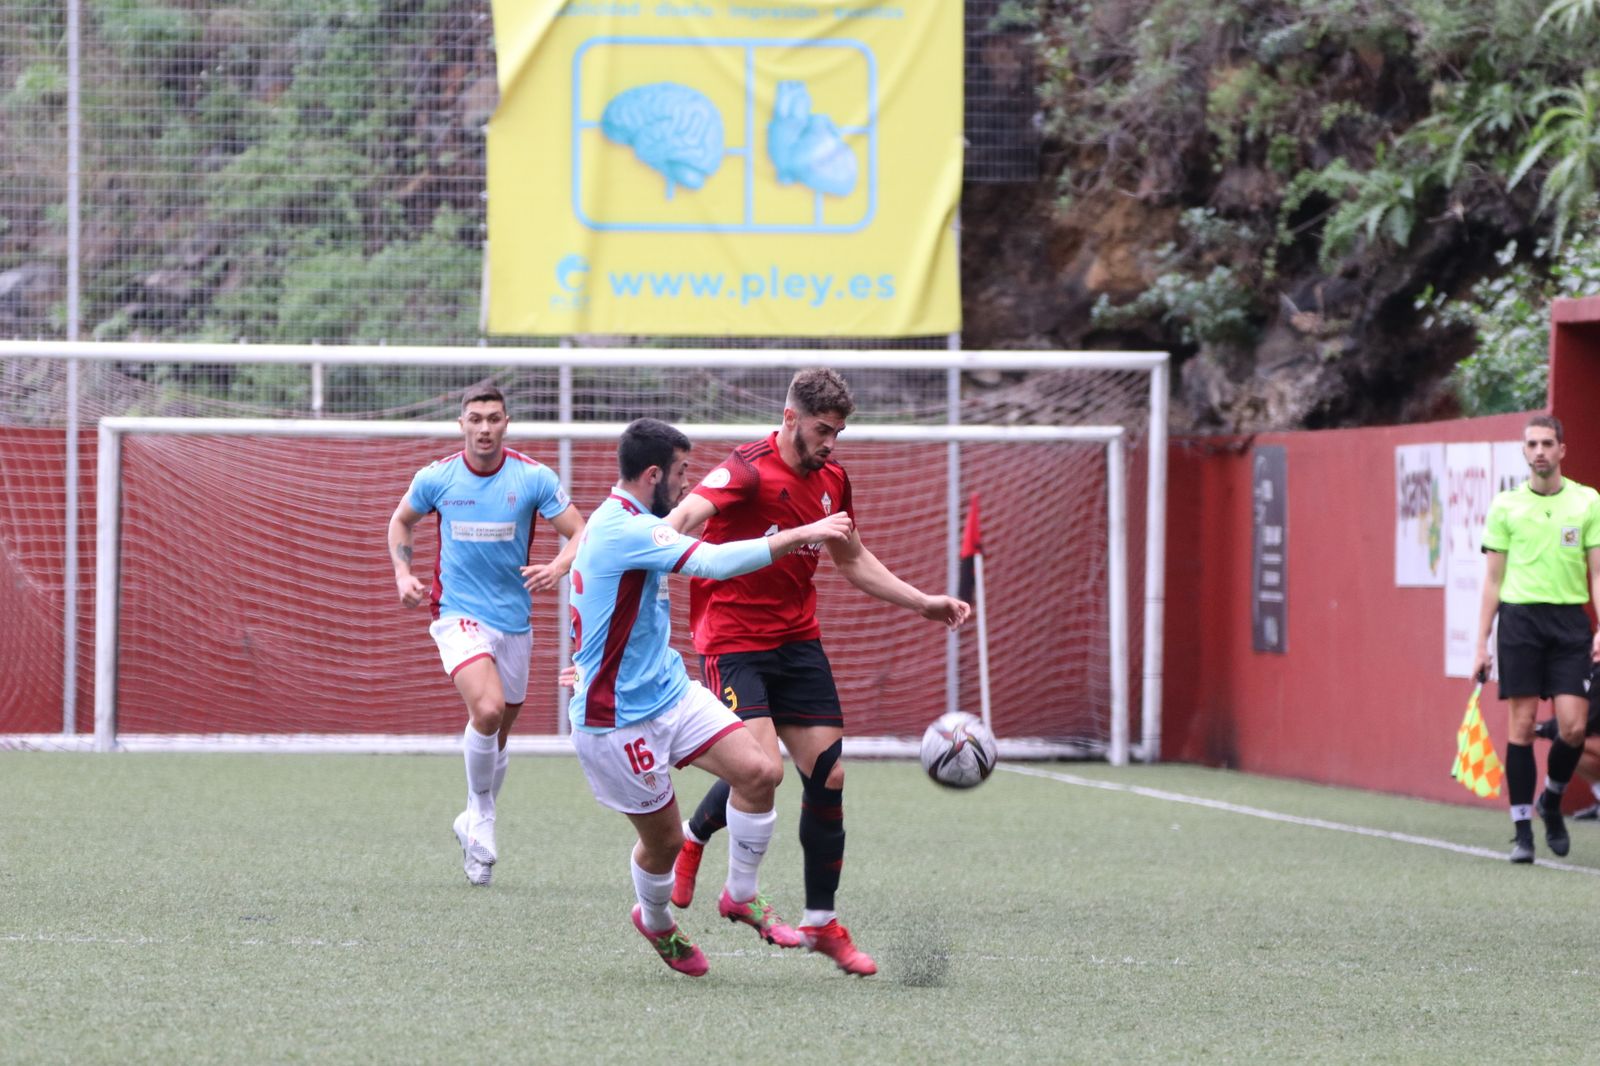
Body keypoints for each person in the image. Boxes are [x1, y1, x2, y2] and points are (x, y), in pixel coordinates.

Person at [666, 368, 971, 975]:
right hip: (733, 641)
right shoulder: (745, 469)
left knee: (827, 780)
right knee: (763, 770)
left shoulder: (833, 478)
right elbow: (679, 521)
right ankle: (713, 864)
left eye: (838, 431)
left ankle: (821, 922)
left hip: (797, 642)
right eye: (822, 430)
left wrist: (924, 602)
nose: (831, 442)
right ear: (789, 419)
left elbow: (852, 559)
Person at [566, 417, 853, 977]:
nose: (686, 484)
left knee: (759, 771)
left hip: (669, 692)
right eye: (680, 473)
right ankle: (654, 920)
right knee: (665, 843)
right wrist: (797, 534)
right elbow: (713, 562)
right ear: (653, 476)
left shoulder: (627, 522)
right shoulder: (621, 529)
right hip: (616, 720)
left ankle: (741, 894)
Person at [387, 383, 586, 887]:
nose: (484, 428)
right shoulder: (437, 478)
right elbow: (401, 522)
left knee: (499, 732)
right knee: (489, 708)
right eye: (475, 418)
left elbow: (580, 531)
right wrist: (402, 573)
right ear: (461, 424)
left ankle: (469, 825)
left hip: (514, 623)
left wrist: (560, 566)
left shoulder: (533, 478)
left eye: (493, 418)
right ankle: (482, 815)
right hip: (457, 614)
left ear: (506, 423)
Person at [1473, 413, 1600, 863]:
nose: (1540, 451)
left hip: (1569, 624)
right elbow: (1492, 580)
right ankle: (1523, 830)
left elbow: (1598, 572)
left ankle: (1552, 798)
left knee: (1573, 726)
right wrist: (1481, 642)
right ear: (1524, 452)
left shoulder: (1587, 502)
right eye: (1532, 444)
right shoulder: (1506, 506)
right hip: (1520, 622)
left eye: (1548, 443)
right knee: (1522, 726)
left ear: (1562, 450)